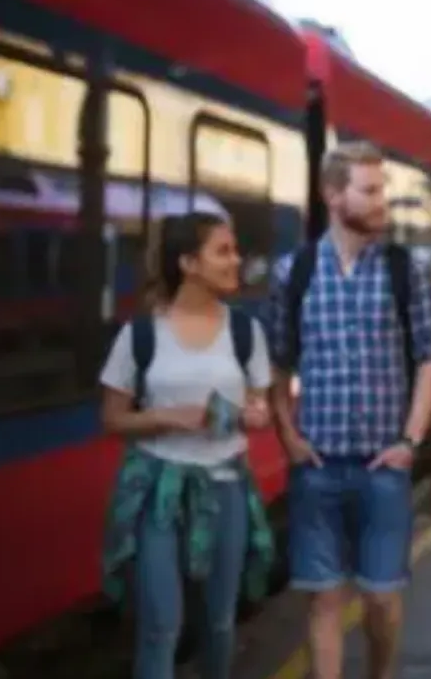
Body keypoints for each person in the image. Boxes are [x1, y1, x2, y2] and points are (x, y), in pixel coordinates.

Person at [266, 141, 431, 679]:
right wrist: (289, 438)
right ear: (332, 194)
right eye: (369, 190)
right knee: (322, 602)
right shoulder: (291, 272)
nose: (381, 199)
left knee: (382, 601)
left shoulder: (404, 269)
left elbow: (430, 360)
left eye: (382, 188)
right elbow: (277, 364)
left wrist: (411, 441)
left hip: (382, 466)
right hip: (317, 465)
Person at [98, 212, 275, 679]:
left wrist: (256, 415)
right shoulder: (139, 335)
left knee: (218, 622)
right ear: (188, 263)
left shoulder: (245, 333)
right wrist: (164, 417)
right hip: (161, 492)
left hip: (227, 487)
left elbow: (261, 409)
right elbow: (112, 418)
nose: (237, 260)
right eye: (224, 251)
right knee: (160, 626)